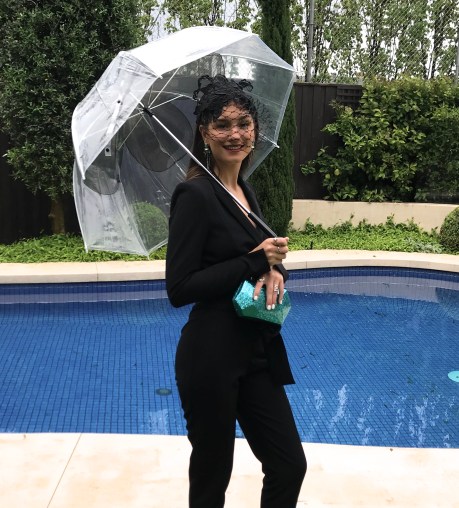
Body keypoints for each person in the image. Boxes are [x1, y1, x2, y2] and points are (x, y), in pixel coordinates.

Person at [166, 74, 306, 508]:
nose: (235, 134)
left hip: (256, 350)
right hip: (211, 354)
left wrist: (276, 270)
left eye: (243, 123)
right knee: (213, 477)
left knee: (288, 465)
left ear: (255, 130)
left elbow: (260, 259)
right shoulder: (194, 195)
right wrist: (255, 261)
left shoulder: (245, 190)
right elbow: (180, 287)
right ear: (205, 133)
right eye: (222, 124)